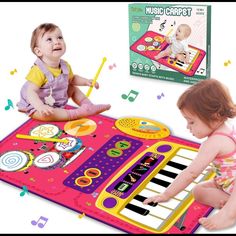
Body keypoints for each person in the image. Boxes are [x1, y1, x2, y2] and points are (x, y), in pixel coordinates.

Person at [143, 78, 236, 231]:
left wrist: (167, 194)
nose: (188, 127)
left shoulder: (213, 142)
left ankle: (229, 213)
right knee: (198, 191)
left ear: (216, 115)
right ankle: (230, 204)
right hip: (226, 183)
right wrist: (219, 169)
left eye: (191, 122)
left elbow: (191, 173)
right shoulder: (228, 128)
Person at [17, 23, 111, 121]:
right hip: (37, 104)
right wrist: (41, 107)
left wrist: (86, 81)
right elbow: (31, 92)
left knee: (72, 88)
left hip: (56, 98)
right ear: (38, 51)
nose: (57, 42)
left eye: (60, 37)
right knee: (46, 116)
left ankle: (88, 105)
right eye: (49, 39)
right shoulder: (38, 70)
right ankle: (76, 113)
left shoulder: (65, 65)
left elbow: (72, 79)